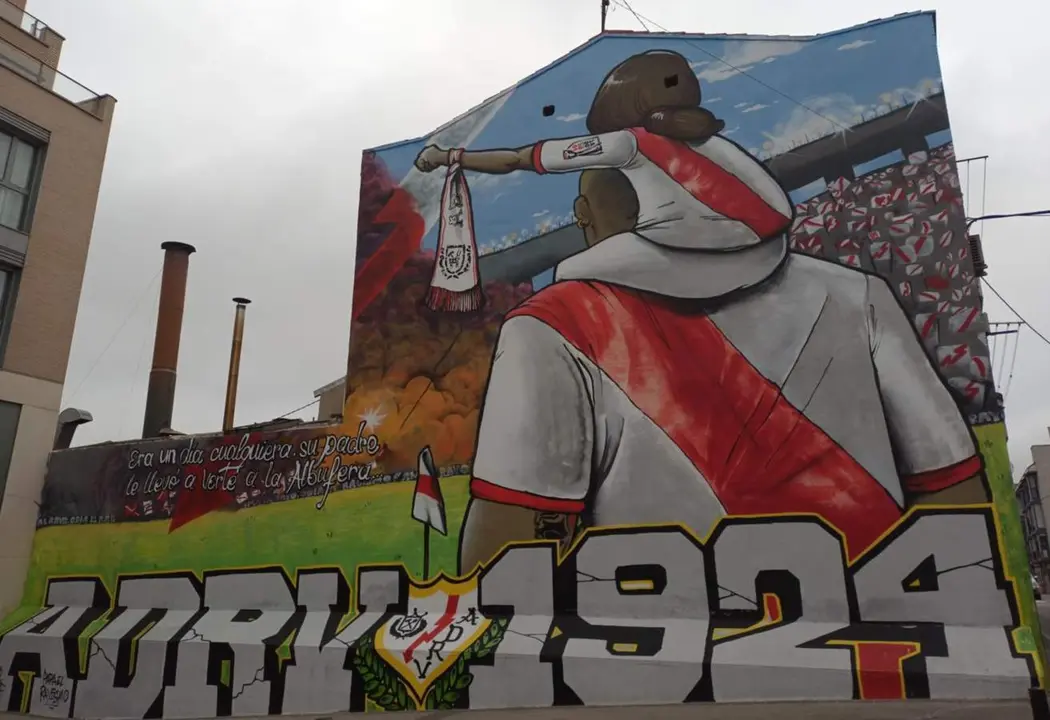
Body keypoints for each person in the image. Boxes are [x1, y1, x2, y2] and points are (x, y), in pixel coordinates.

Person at [412, 50, 987, 573]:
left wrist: (451, 157)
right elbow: (953, 485)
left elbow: (501, 563)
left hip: (662, 632)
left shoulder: (557, 320)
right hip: (876, 626)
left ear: (587, 216)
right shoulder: (859, 291)